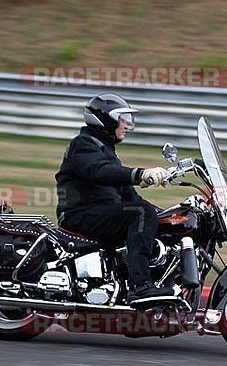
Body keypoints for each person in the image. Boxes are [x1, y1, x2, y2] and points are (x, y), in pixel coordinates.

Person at [55, 93, 175, 303]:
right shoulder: (83, 145)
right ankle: (140, 286)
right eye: (121, 119)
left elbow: (130, 197)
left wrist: (168, 214)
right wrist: (140, 174)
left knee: (148, 213)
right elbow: (100, 172)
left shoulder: (105, 150)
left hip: (100, 214)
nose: (126, 125)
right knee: (139, 214)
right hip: (80, 215)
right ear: (105, 119)